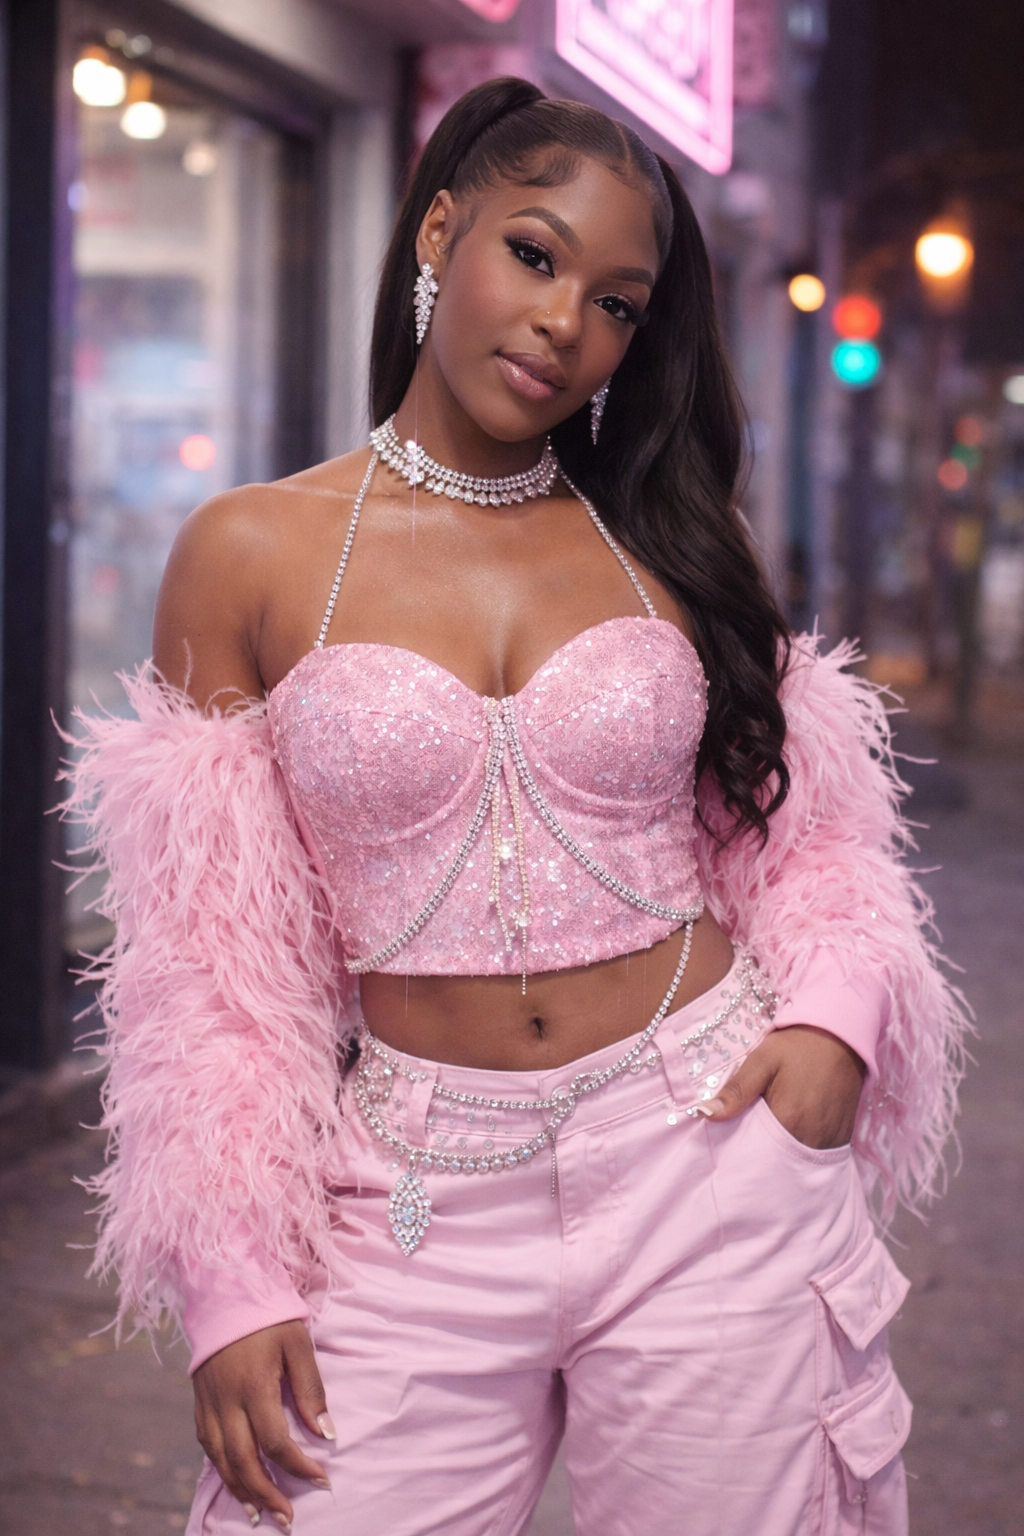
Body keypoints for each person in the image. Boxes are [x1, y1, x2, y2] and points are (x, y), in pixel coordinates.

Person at [65, 80, 966, 1536]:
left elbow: (809, 831)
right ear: (440, 230)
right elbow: (206, 970)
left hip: (711, 1156)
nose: (564, 324)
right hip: (407, 1201)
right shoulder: (250, 552)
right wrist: (233, 1280)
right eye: (535, 257)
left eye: (616, 303)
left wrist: (836, 1024)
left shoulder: (665, 544)